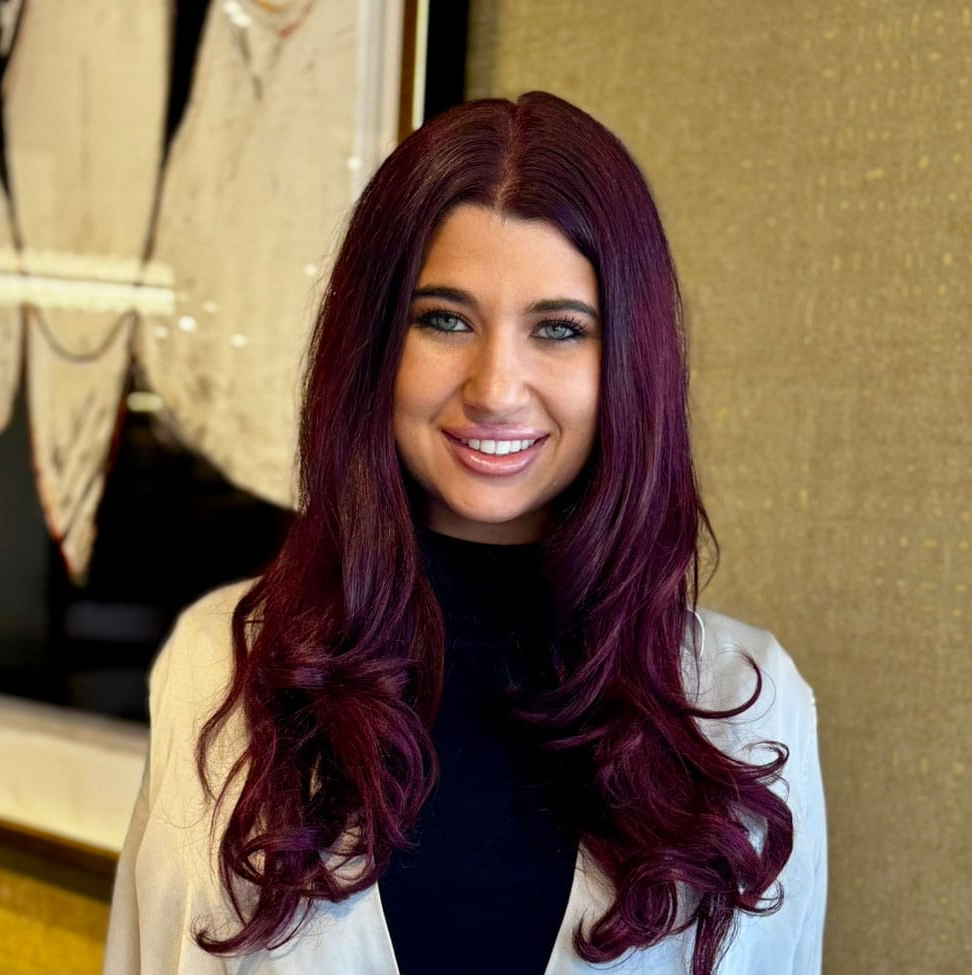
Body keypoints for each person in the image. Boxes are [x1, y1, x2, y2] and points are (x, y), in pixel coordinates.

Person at [104, 91, 826, 975]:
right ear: (375, 343)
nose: (494, 389)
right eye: (443, 319)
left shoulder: (748, 703)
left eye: (558, 329)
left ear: (629, 364)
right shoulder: (222, 665)